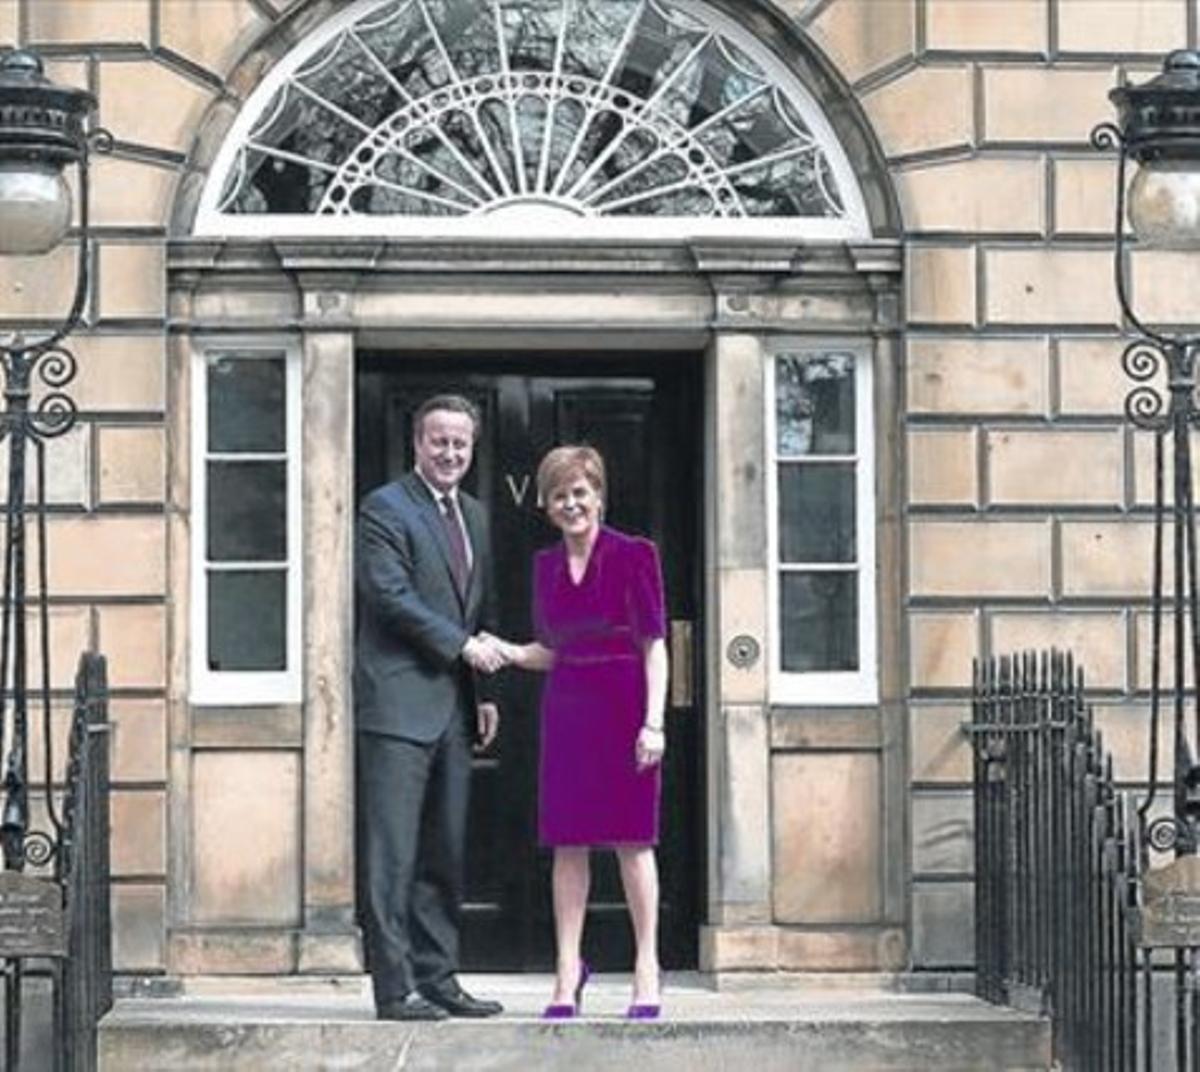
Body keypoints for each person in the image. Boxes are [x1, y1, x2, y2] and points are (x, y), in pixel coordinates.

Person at [499, 445, 669, 1020]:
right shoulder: (545, 566)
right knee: (568, 844)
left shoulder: (635, 555)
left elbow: (655, 646)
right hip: (568, 710)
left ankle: (647, 965)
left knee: (632, 841)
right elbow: (552, 651)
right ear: (546, 506)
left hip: (626, 709)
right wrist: (507, 653)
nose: (571, 503)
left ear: (598, 496)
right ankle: (568, 969)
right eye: (559, 495)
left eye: (580, 492)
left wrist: (655, 723)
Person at [354, 394, 507, 1022]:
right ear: (418, 442)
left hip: (454, 710)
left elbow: (481, 606)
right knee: (393, 856)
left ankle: (439, 978)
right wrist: (461, 646)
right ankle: (395, 991)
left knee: (445, 852)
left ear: (471, 449)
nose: (450, 453)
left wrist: (486, 692)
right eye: (439, 441)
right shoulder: (385, 508)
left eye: (460, 444)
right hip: (396, 706)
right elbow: (388, 596)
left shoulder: (475, 513)